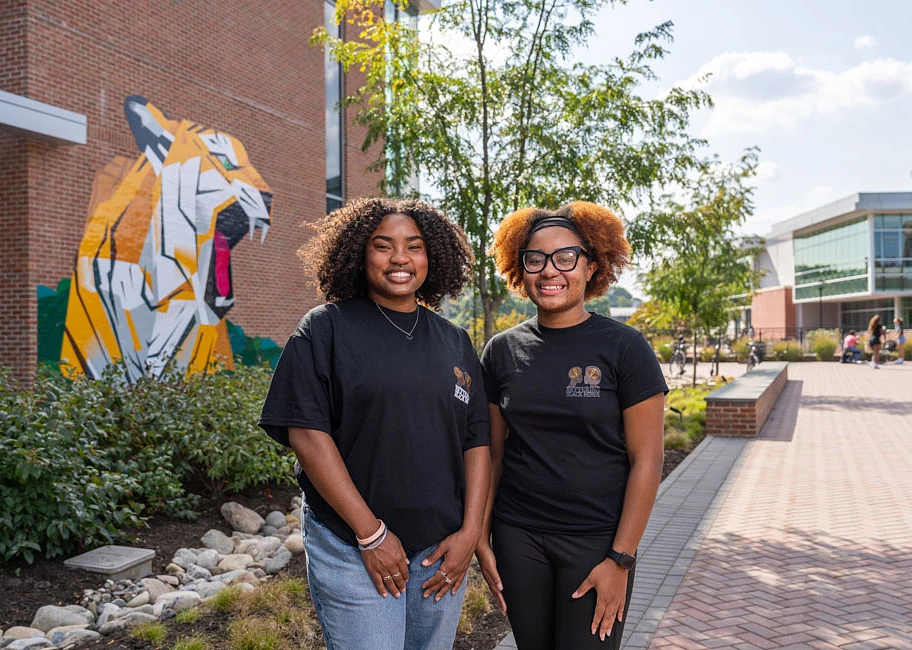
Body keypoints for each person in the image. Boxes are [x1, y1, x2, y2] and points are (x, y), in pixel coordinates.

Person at [258, 197, 490, 650]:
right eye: (383, 246)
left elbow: (476, 441)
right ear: (360, 254)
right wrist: (371, 534)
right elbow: (307, 434)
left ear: (433, 257)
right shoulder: (325, 329)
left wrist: (470, 533)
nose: (400, 258)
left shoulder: (455, 341)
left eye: (414, 246)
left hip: (440, 549)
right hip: (352, 545)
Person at [476, 202, 668, 649]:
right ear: (518, 269)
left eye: (566, 257)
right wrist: (481, 537)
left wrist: (621, 559)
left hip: (596, 542)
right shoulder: (501, 351)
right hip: (517, 537)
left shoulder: (626, 348)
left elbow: (648, 460)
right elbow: (493, 455)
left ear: (592, 265)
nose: (550, 271)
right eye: (535, 259)